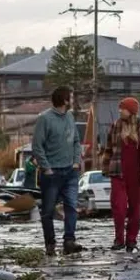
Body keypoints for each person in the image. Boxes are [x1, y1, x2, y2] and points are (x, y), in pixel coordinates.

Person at [31, 86, 83, 255]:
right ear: (65, 100)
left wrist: (76, 162)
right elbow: (37, 147)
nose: (73, 101)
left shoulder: (69, 117)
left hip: (70, 172)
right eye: (72, 97)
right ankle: (50, 244)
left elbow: (76, 141)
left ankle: (69, 241)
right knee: (47, 211)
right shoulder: (44, 119)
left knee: (72, 207)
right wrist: (46, 168)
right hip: (52, 173)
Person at [100, 97, 140, 252]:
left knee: (135, 208)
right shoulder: (115, 126)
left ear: (131, 111)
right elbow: (108, 150)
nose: (120, 111)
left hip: (137, 175)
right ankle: (119, 239)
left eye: (123, 108)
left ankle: (131, 240)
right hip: (118, 173)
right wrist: (105, 168)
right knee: (118, 207)